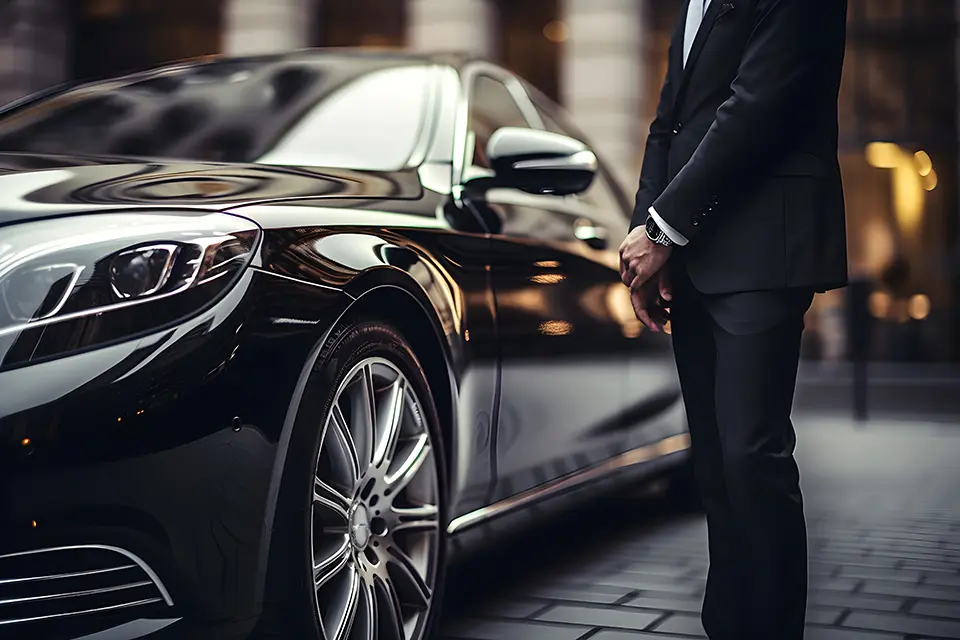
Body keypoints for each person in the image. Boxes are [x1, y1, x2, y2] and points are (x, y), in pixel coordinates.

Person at [617, 1, 848, 638]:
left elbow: (757, 107)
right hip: (692, 254)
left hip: (764, 250)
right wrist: (646, 235)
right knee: (715, 466)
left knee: (752, 456)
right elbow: (667, 122)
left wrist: (664, 229)